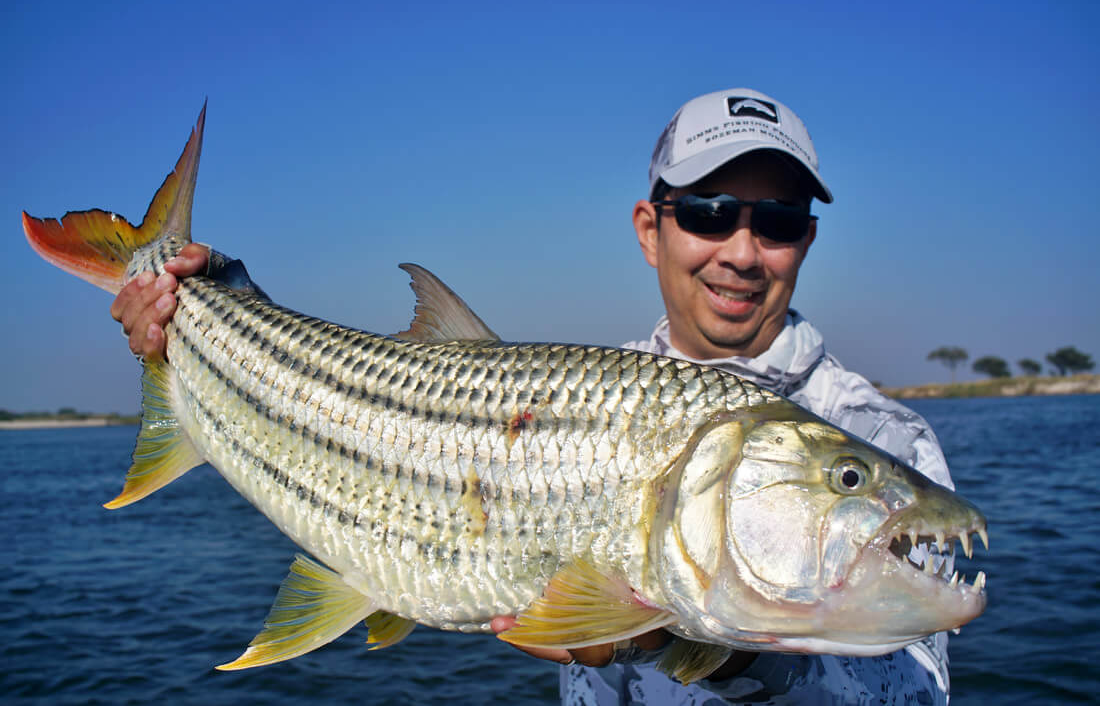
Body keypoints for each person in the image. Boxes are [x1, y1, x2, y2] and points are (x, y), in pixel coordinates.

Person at [112, 88, 956, 704]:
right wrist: (213, 309)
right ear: (648, 227)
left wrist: (699, 651)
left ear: (808, 238)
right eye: (707, 210)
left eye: (779, 220)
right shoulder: (591, 386)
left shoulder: (884, 437)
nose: (742, 249)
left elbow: (909, 694)